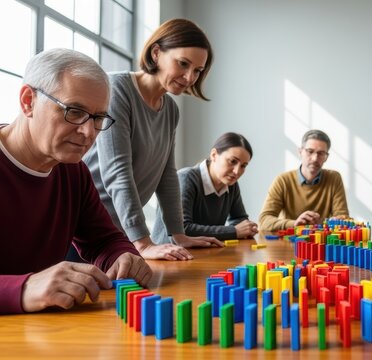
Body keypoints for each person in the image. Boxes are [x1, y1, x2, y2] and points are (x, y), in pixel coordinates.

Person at [0, 49, 152, 314]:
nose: (88, 132)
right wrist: (24, 288)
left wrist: (123, 257)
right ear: (28, 101)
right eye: (74, 111)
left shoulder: (73, 171)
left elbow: (103, 240)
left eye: (98, 118)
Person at [83, 19, 223, 261]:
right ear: (156, 53)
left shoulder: (170, 110)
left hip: (119, 234)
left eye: (197, 70)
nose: (190, 77)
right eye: (183, 63)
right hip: (86, 228)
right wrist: (143, 242)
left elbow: (167, 175)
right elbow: (117, 172)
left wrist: (178, 234)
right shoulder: (117, 90)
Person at [152, 132, 258, 243]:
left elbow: (240, 220)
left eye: (243, 166)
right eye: (232, 161)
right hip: (169, 255)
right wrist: (234, 231)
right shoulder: (186, 178)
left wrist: (245, 228)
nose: (237, 171)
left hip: (202, 252)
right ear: (214, 155)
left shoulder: (231, 184)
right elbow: (182, 229)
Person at [259, 129, 349, 231]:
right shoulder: (283, 180)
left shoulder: (334, 178)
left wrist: (329, 223)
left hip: (320, 242)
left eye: (321, 153)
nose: (315, 158)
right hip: (287, 241)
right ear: (300, 152)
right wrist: (295, 223)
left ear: (326, 157)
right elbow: (264, 221)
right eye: (310, 151)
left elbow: (343, 218)